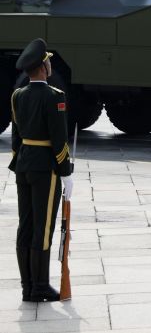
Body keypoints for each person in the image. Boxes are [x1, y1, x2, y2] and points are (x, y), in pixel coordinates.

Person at [9, 38, 74, 302]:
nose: (49, 64)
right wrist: (66, 171)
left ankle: (27, 286)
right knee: (43, 227)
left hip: (23, 164)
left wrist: (20, 160)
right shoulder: (53, 97)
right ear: (42, 68)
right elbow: (59, 140)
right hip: (46, 167)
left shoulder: (18, 95)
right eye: (47, 61)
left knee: (25, 226)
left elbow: (16, 138)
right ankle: (40, 287)